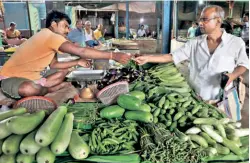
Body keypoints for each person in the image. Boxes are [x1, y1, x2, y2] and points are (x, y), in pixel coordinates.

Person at [0, 10, 130, 99]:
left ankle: (41, 86)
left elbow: (54, 64)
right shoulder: (49, 35)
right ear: (53, 24)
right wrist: (113, 55)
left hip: (34, 76)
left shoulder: (47, 37)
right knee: (28, 89)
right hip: (12, 77)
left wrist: (77, 62)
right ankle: (48, 90)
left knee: (64, 71)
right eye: (65, 26)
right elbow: (82, 51)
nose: (68, 30)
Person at [134, 5, 248, 101]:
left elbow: (243, 64)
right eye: (200, 19)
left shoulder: (235, 43)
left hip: (223, 97)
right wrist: (148, 58)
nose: (200, 23)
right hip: (196, 96)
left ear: (218, 21)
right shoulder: (195, 43)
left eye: (205, 19)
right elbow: (172, 56)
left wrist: (232, 76)